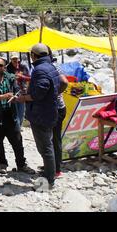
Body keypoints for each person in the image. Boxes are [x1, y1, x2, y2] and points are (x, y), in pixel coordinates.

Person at [16, 43, 60, 188]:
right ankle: (50, 173)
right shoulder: (50, 66)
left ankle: (48, 181)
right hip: (49, 111)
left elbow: (38, 93)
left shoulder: (40, 69)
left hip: (41, 114)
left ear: (33, 55)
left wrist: (24, 98)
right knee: (48, 145)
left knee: (45, 148)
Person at [0, 57, 35, 175]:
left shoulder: (10, 78)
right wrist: (4, 96)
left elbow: (17, 89)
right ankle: (2, 164)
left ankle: (21, 164)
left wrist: (16, 95)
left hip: (10, 114)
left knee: (17, 141)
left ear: (4, 66)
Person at [47, 48, 69, 178]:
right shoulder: (52, 67)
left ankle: (56, 169)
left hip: (56, 108)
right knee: (52, 138)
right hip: (57, 108)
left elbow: (65, 82)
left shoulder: (52, 67)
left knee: (54, 139)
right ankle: (53, 165)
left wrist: (54, 94)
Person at [6, 53, 30, 128]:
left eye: (16, 59)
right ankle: (16, 125)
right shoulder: (8, 68)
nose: (15, 61)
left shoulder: (23, 67)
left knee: (21, 109)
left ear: (18, 59)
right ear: (11, 60)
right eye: (13, 59)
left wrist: (22, 76)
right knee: (14, 109)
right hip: (12, 90)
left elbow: (29, 77)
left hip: (23, 90)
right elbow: (6, 78)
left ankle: (19, 125)